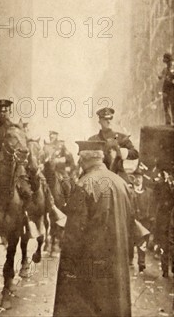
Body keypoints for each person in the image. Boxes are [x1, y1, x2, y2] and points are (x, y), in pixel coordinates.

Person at [53, 140, 134, 317]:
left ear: (84, 159)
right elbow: (130, 224)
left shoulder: (84, 185)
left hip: (90, 267)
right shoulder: (121, 183)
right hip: (117, 264)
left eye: (80, 159)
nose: (79, 163)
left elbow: (73, 237)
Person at [88, 107, 139, 174]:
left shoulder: (121, 137)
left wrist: (119, 152)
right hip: (98, 173)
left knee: (127, 184)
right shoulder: (93, 140)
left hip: (117, 173)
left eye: (110, 118)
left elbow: (135, 153)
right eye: (105, 119)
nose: (108, 121)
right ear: (99, 121)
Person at [128, 167, 155, 273]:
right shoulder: (129, 191)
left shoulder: (148, 192)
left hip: (144, 221)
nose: (138, 180)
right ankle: (130, 260)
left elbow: (152, 205)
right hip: (132, 220)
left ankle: (141, 262)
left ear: (142, 179)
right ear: (133, 179)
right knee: (130, 241)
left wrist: (151, 218)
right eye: (136, 178)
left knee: (143, 242)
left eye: (140, 177)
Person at [158, 52, 174, 125]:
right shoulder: (165, 69)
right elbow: (160, 76)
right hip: (165, 89)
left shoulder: (172, 68)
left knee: (172, 104)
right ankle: (168, 121)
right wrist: (160, 76)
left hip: (172, 88)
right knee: (166, 105)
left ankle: (173, 120)